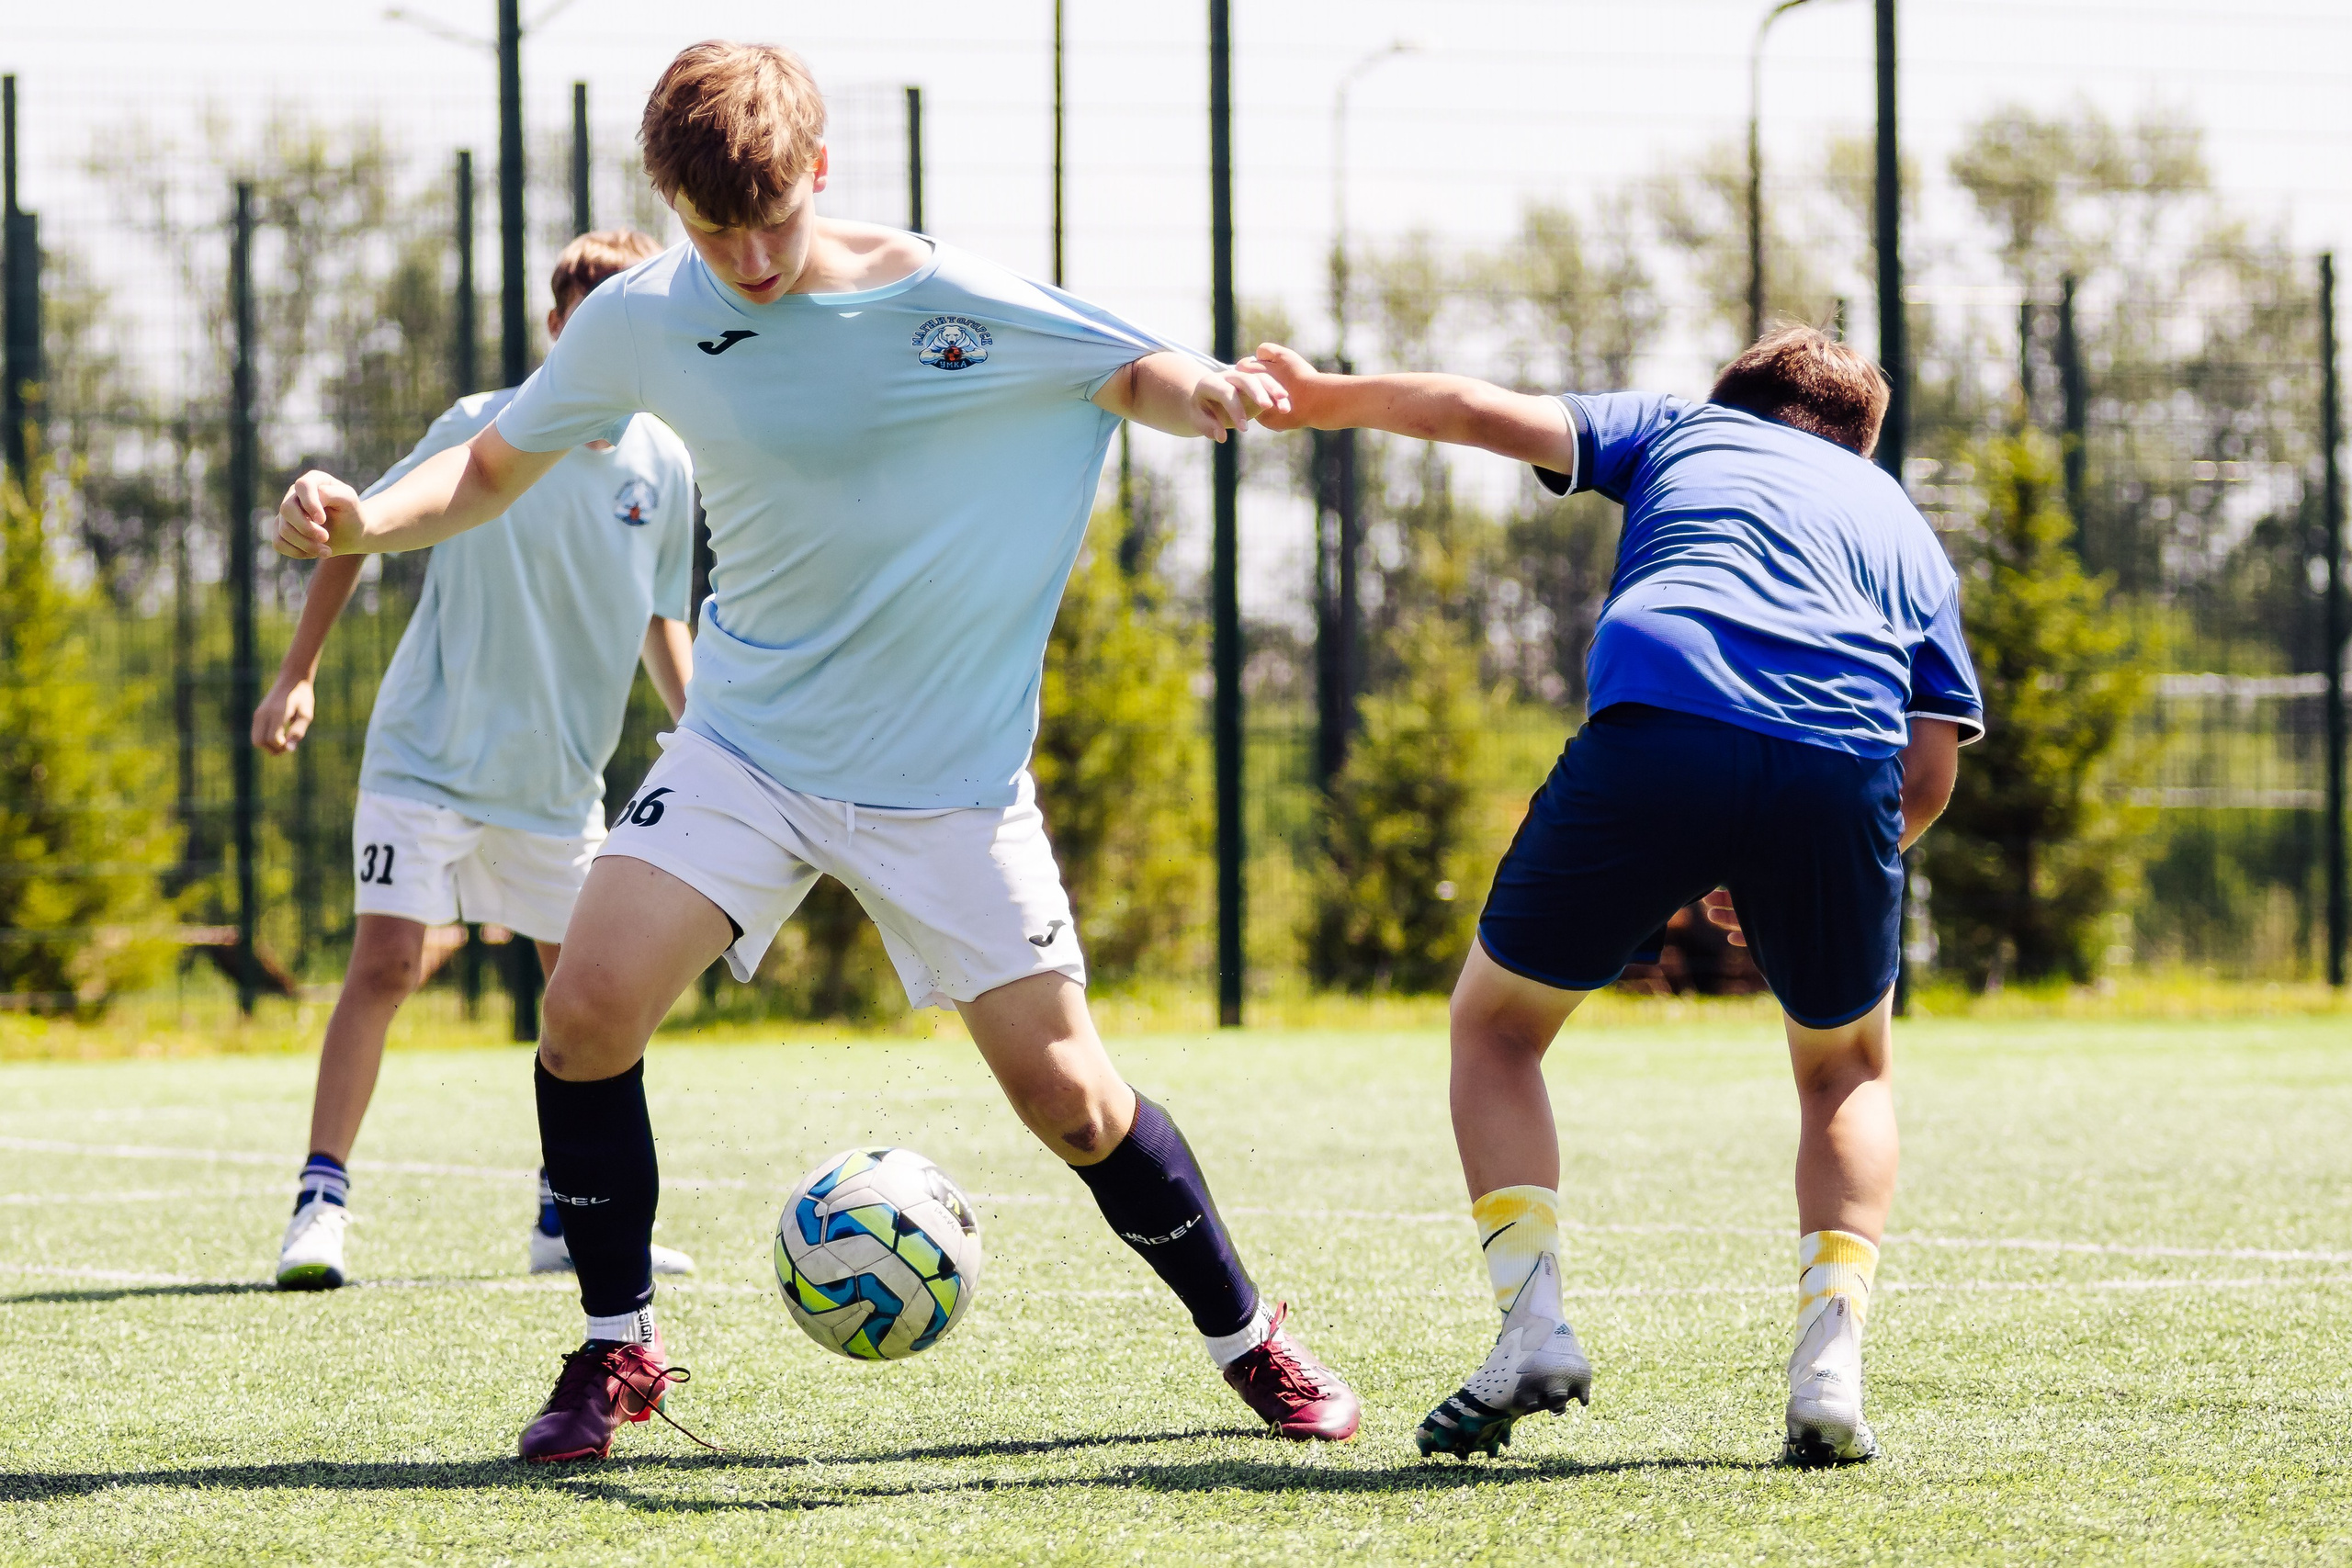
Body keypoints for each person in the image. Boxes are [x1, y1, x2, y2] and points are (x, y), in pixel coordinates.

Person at [272, 40, 1361, 1462]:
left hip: (948, 779)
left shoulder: (944, 295)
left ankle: (1247, 1333)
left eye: (772, 218)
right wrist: (364, 518)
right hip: (748, 747)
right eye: (712, 229)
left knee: (1075, 1100)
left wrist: (1202, 393)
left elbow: (1126, 366)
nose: (749, 258)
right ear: (669, 207)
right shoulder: (642, 318)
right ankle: (615, 1345)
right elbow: (490, 466)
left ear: (821, 171)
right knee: (585, 1012)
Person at [1245, 327, 1983, 1465]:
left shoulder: (1685, 428)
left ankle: (1533, 1326)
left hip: (1661, 723)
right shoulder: (1905, 530)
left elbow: (1472, 409)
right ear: (1860, 446)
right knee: (1846, 1068)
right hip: (1840, 766)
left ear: (1731, 397)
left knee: (1497, 1028)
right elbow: (1927, 775)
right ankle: (1829, 1370)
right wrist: (1793, 854)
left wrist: (1317, 399)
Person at [258, 230, 700, 1293]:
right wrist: (296, 675)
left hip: (558, 784)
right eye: (588, 325)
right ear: (558, 329)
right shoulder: (480, 426)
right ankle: (320, 1204)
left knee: (589, 999)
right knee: (386, 966)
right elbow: (358, 530)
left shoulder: (667, 464)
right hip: (428, 755)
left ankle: (569, 1214)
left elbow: (661, 618)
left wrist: (706, 738)